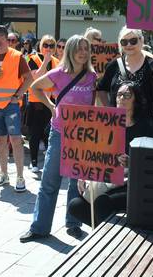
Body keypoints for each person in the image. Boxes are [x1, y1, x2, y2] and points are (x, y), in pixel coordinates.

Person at [19, 35, 97, 242]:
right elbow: (34, 86)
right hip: (60, 133)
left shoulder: (92, 76)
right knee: (49, 182)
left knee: (76, 183)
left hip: (83, 137)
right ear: (70, 51)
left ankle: (73, 223)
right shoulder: (59, 73)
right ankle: (39, 228)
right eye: (79, 48)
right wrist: (51, 105)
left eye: (86, 49)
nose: (83, 53)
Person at [68, 82, 153, 227]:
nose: (121, 98)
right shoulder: (106, 123)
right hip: (107, 181)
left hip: (132, 183)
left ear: (136, 100)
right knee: (75, 205)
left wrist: (131, 162)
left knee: (102, 203)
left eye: (127, 95)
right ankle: (104, 232)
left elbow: (150, 163)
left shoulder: (144, 128)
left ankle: (108, 238)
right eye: (119, 94)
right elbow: (92, 154)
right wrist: (83, 174)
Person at [0, 25, 32, 192]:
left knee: (16, 140)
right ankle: (3, 173)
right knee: (0, 141)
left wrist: (18, 95)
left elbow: (29, 78)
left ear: (3, 37)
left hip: (11, 106)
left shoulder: (16, 56)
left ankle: (20, 176)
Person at [97, 27, 153, 121]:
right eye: (124, 42)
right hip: (119, 124)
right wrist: (109, 109)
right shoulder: (113, 65)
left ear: (141, 40)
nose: (129, 45)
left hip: (145, 126)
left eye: (133, 40)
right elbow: (101, 89)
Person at [26, 35, 60, 173]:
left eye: (52, 45)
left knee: (48, 133)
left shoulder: (57, 61)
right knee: (35, 133)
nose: (48, 48)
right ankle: (34, 162)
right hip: (35, 102)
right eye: (46, 45)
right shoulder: (31, 58)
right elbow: (36, 77)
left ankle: (48, 161)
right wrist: (45, 61)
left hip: (50, 102)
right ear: (41, 46)